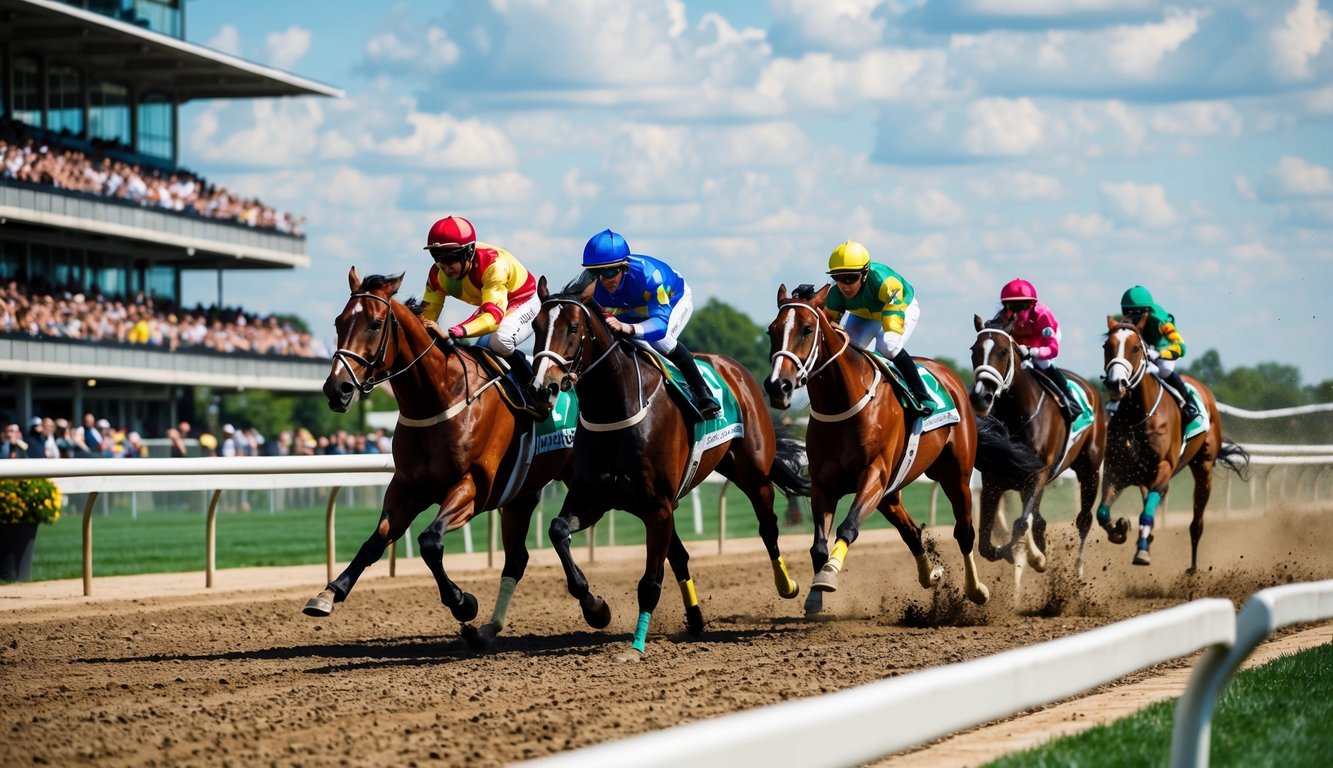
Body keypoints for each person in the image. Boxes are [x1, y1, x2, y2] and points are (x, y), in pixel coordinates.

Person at [581, 228, 722, 419]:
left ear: (624, 266)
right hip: (631, 307)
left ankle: (703, 394)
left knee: (661, 341)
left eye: (611, 271)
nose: (605, 279)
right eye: (597, 272)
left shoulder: (650, 277)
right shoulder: (593, 284)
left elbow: (659, 325)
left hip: (671, 301)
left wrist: (628, 328)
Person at [419, 215, 539, 387]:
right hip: (494, 303)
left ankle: (535, 387)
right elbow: (427, 317)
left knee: (500, 341)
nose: (444, 266)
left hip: (524, 299)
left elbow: (492, 318)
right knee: (478, 355)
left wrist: (453, 333)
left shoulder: (493, 265)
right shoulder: (437, 274)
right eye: (437, 257)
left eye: (450, 258)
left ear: (468, 252)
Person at [822, 241, 934, 417]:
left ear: (865, 274)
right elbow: (828, 328)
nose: (844, 285)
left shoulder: (884, 282)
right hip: (864, 315)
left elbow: (892, 314)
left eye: (850, 278)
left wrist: (880, 348)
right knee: (849, 350)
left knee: (888, 345)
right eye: (838, 277)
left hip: (898, 306)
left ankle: (922, 394)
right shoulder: (836, 293)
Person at [991, 279, 1082, 420]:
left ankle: (1070, 401)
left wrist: (1033, 352)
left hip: (1042, 341)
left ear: (1032, 304)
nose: (1017, 311)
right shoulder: (1003, 316)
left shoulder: (1042, 315)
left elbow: (1052, 349)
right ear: (1005, 305)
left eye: (1022, 305)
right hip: (1017, 344)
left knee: (1043, 364)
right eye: (1012, 306)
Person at [1120, 285, 1200, 423]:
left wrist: (1160, 354)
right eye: (1128, 315)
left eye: (1136, 317)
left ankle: (1187, 403)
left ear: (1146, 313)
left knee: (1164, 369)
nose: (1131, 321)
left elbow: (1181, 346)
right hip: (1143, 347)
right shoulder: (1126, 324)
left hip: (1163, 348)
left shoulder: (1161, 321)